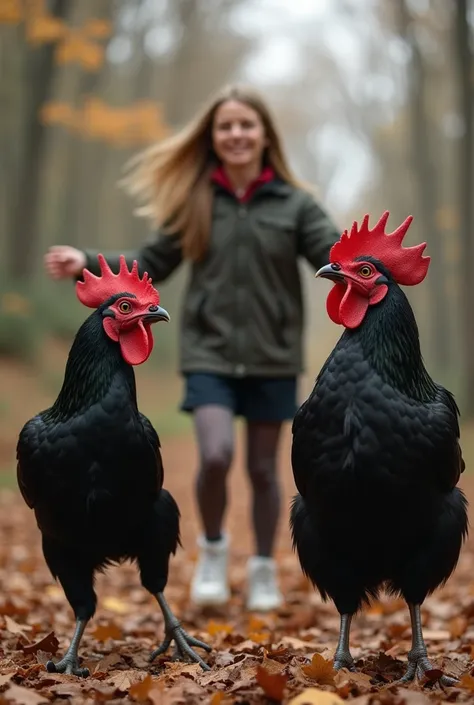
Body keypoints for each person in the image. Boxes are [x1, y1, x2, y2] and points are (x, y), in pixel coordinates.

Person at [44, 84, 340, 612]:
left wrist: (376, 270)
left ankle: (264, 569)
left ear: (265, 134)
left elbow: (334, 254)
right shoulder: (197, 199)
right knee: (216, 455)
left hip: (273, 356)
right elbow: (150, 260)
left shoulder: (295, 205)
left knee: (264, 471)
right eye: (225, 126)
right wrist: (85, 259)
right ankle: (212, 550)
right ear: (213, 138)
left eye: (246, 124)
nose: (236, 134)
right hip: (210, 354)